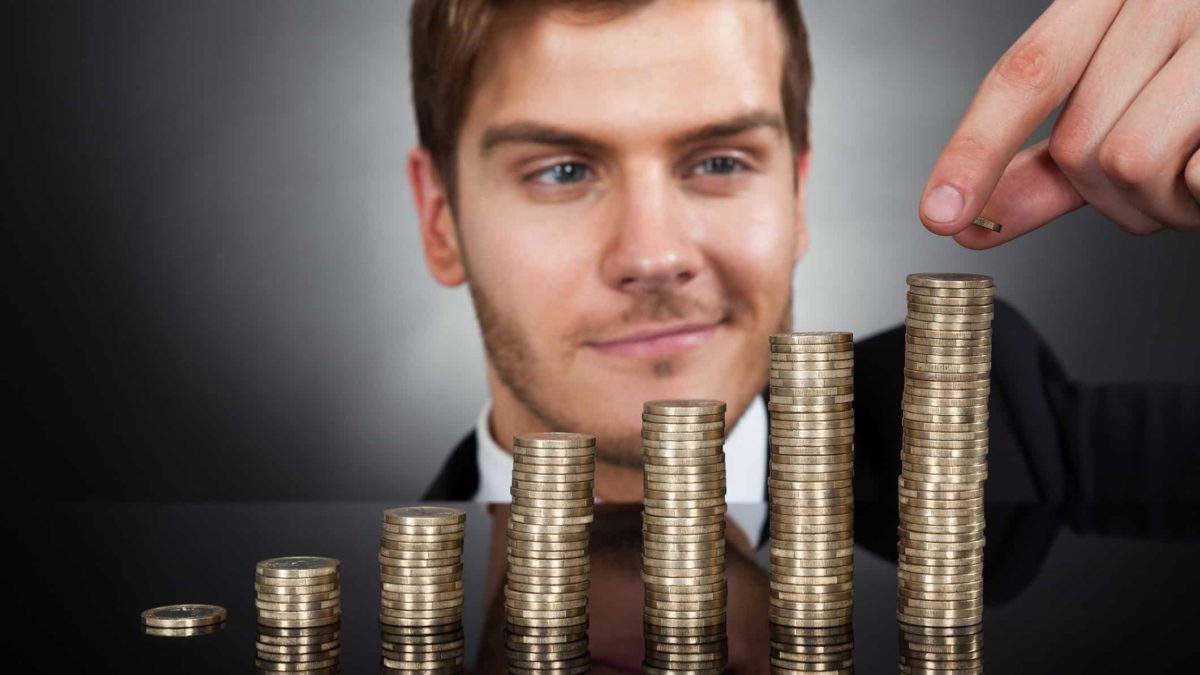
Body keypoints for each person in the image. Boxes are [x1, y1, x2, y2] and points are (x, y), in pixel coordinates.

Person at [410, 0, 1200, 521]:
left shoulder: (1049, 452)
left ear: (796, 198)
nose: (654, 256)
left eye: (719, 162)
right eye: (562, 172)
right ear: (440, 221)